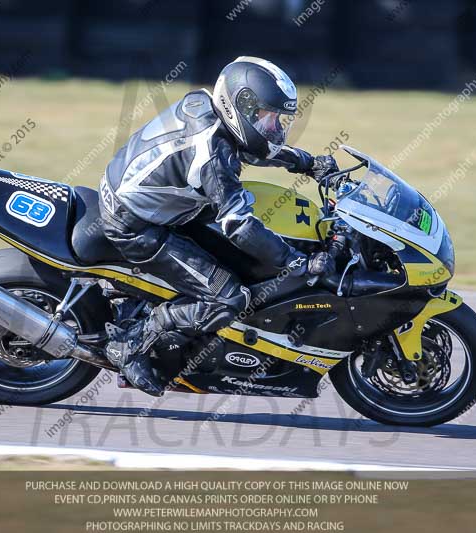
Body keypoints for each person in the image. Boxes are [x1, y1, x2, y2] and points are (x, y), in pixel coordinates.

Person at [99, 56, 338, 396]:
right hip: (136, 224)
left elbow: (253, 147)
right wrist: (294, 262)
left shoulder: (206, 105)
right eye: (267, 117)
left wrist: (307, 162)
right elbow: (239, 225)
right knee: (228, 298)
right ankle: (132, 344)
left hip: (152, 200)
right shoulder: (213, 154)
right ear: (240, 104)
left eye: (277, 119)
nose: (274, 127)